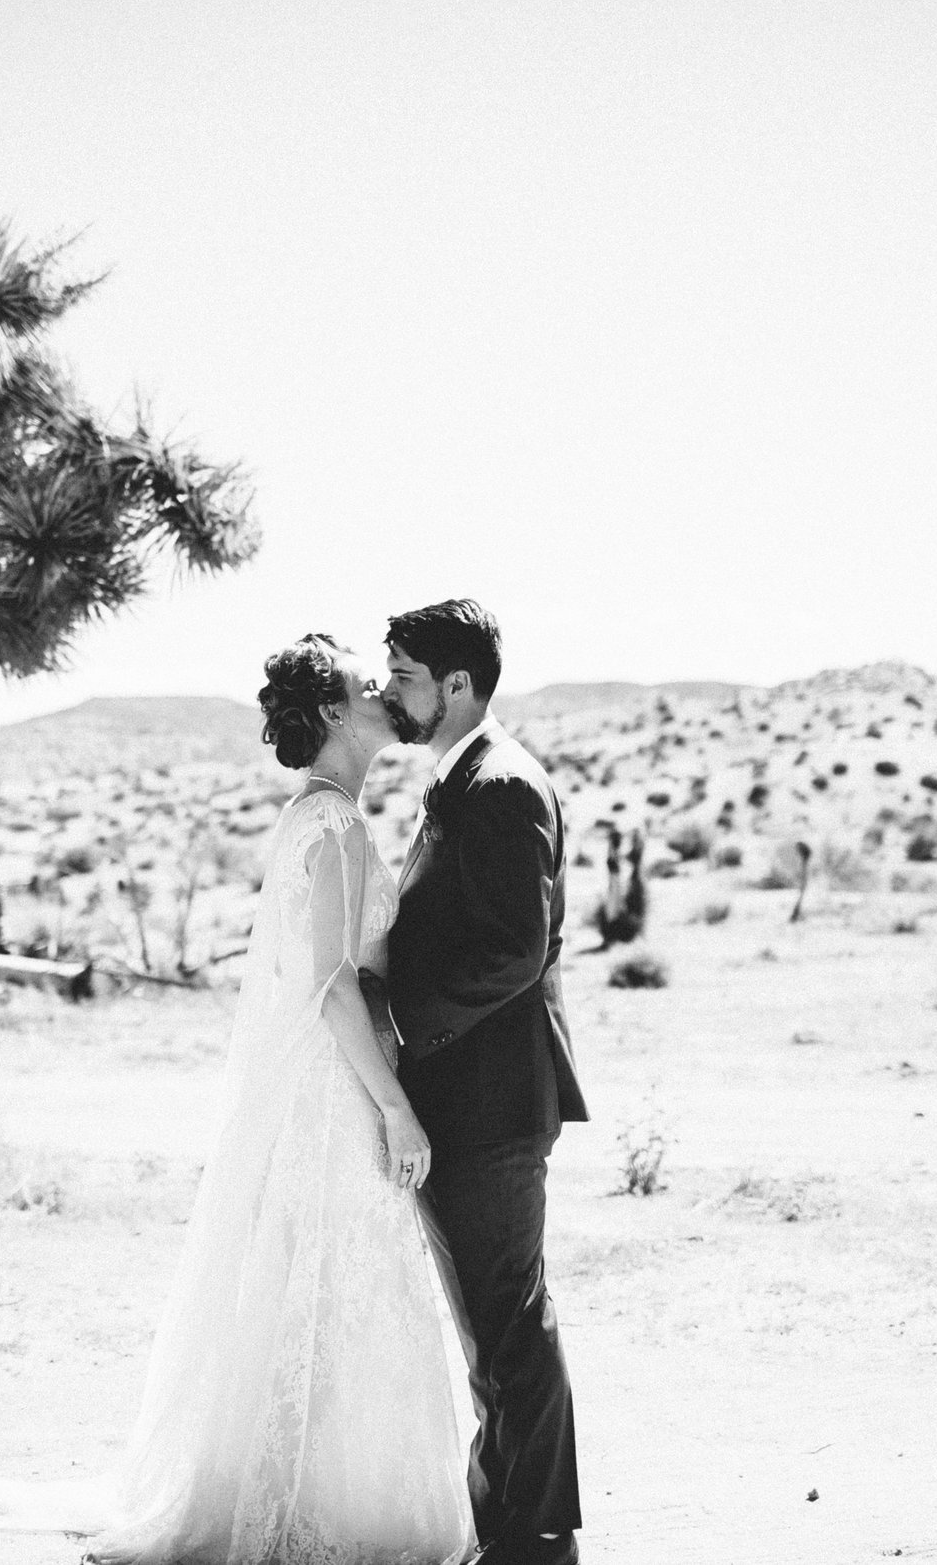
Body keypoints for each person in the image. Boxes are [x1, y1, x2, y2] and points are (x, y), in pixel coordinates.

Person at [0, 634, 478, 1565]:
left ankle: (304, 1485)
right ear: (329, 716)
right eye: (365, 685)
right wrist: (396, 1107)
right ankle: (325, 1503)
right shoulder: (340, 828)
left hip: (316, 1083)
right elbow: (330, 986)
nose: (379, 692)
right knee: (326, 1279)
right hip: (336, 1090)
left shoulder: (313, 818)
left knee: (303, 1281)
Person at [378, 599, 588, 1565]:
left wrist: (405, 1024)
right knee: (491, 1315)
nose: (389, 690)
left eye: (404, 673)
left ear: (456, 683)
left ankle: (535, 1531)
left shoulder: (501, 784)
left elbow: (514, 947)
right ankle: (509, 1511)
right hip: (469, 1095)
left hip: (492, 1100)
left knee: (506, 1313)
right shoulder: (465, 777)